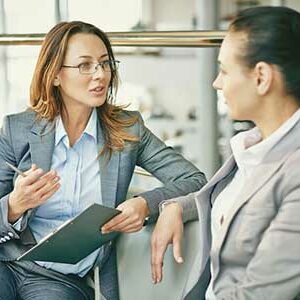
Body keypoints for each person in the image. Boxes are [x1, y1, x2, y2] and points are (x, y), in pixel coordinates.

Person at [0, 21, 207, 300]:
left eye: (105, 63)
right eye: (85, 65)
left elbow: (194, 180)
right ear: (56, 75)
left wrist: (146, 204)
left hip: (59, 280)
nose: (100, 74)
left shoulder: (128, 130)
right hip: (8, 263)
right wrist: (14, 206)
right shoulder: (18, 129)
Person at [151, 6, 300, 300]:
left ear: (261, 78)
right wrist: (178, 206)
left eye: (224, 70)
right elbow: (237, 200)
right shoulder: (255, 145)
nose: (216, 83)